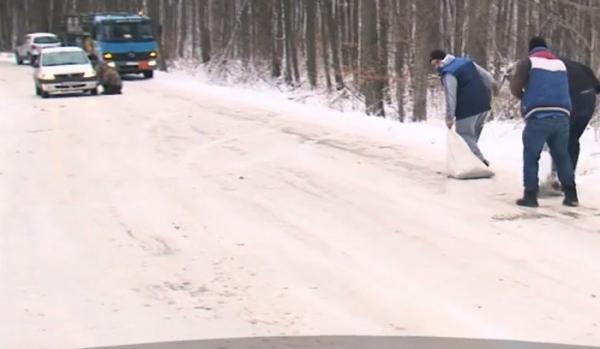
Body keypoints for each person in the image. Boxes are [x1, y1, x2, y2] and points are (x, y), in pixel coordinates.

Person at [509, 36, 578, 207]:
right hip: (562, 115)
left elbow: (515, 87)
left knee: (532, 156)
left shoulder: (528, 62)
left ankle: (530, 195)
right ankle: (571, 195)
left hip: (538, 116)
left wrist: (525, 98)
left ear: (531, 49)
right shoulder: (560, 64)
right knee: (562, 155)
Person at [430, 49, 497, 166]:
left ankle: (480, 162)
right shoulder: (467, 62)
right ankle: (470, 163)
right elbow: (488, 78)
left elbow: (451, 96)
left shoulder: (449, 73)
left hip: (467, 109)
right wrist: (491, 93)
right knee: (472, 139)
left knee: (464, 136)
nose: (435, 68)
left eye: (434, 64)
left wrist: (449, 118)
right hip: (484, 105)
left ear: (438, 61)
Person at [545, 59, 600, 189]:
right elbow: (598, 88)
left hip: (573, 100)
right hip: (588, 101)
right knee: (572, 139)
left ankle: (557, 177)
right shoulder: (578, 65)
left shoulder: (550, 68)